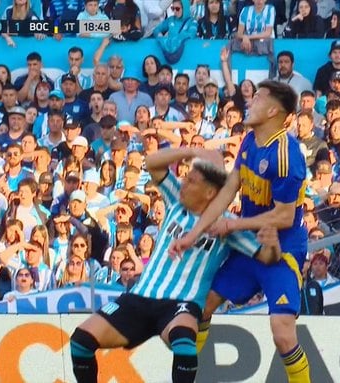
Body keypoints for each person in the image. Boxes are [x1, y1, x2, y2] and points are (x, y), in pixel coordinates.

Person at [69, 146, 280, 383]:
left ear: (210, 192)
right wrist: (190, 150)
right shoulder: (177, 202)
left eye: (191, 181)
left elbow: (266, 257)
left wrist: (273, 244)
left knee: (184, 343)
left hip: (183, 303)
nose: (184, 183)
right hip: (139, 297)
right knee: (80, 341)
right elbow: (151, 163)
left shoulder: (228, 225)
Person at [170, 80, 311, 382]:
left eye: (257, 98)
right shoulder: (249, 140)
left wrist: (233, 224)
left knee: (282, 333)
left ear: (273, 110)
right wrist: (195, 232)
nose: (249, 102)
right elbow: (230, 187)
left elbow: (285, 217)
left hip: (281, 250)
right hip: (248, 245)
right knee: (202, 306)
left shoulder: (287, 156)